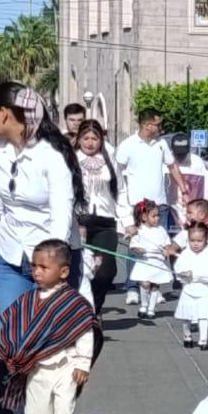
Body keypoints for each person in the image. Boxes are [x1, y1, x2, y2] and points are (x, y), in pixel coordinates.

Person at [0, 81, 84, 414]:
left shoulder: (51, 157)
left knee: (46, 346)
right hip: (7, 258)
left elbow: (61, 214)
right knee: (5, 339)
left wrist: (52, 263)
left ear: (9, 114)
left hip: (49, 262)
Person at [0, 239, 95, 414]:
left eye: (44, 267)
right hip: (35, 368)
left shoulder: (74, 303)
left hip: (66, 366)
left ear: (64, 272)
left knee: (64, 411)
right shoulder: (27, 301)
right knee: (36, 413)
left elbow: (84, 331)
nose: (36, 272)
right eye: (34, 266)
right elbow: (11, 326)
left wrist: (83, 364)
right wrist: (9, 351)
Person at [73, 119, 121, 317]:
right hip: (79, 221)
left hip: (105, 221)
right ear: (79, 139)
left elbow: (121, 189)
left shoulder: (109, 159)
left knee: (106, 271)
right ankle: (83, 313)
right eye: (86, 138)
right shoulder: (71, 159)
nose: (90, 143)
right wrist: (75, 220)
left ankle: (95, 307)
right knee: (81, 270)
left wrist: (127, 221)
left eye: (95, 138)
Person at [114, 108, 183, 226]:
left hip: (160, 206)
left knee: (161, 238)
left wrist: (183, 188)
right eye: (158, 125)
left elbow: (172, 166)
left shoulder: (162, 143)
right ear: (146, 125)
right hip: (138, 207)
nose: (161, 128)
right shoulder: (127, 145)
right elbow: (116, 171)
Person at [171, 219, 208, 349]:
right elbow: (178, 268)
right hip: (189, 288)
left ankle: (203, 340)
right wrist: (184, 273)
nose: (195, 244)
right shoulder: (185, 253)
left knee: (204, 316)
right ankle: (187, 336)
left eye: (199, 241)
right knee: (186, 316)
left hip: (204, 289)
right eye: (192, 240)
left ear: (206, 240)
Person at [127, 200, 173, 317]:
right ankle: (144, 305)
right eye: (154, 216)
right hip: (144, 262)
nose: (157, 218)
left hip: (157, 262)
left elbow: (167, 244)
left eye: (158, 215)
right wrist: (139, 249)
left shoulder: (161, 230)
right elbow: (133, 246)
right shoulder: (139, 230)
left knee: (155, 286)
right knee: (145, 284)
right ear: (144, 217)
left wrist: (167, 250)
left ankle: (151, 309)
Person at [165, 132, 208, 234]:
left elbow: (205, 189)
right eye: (177, 154)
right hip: (171, 213)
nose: (180, 157)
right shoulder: (166, 162)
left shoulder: (197, 162)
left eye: (183, 154)